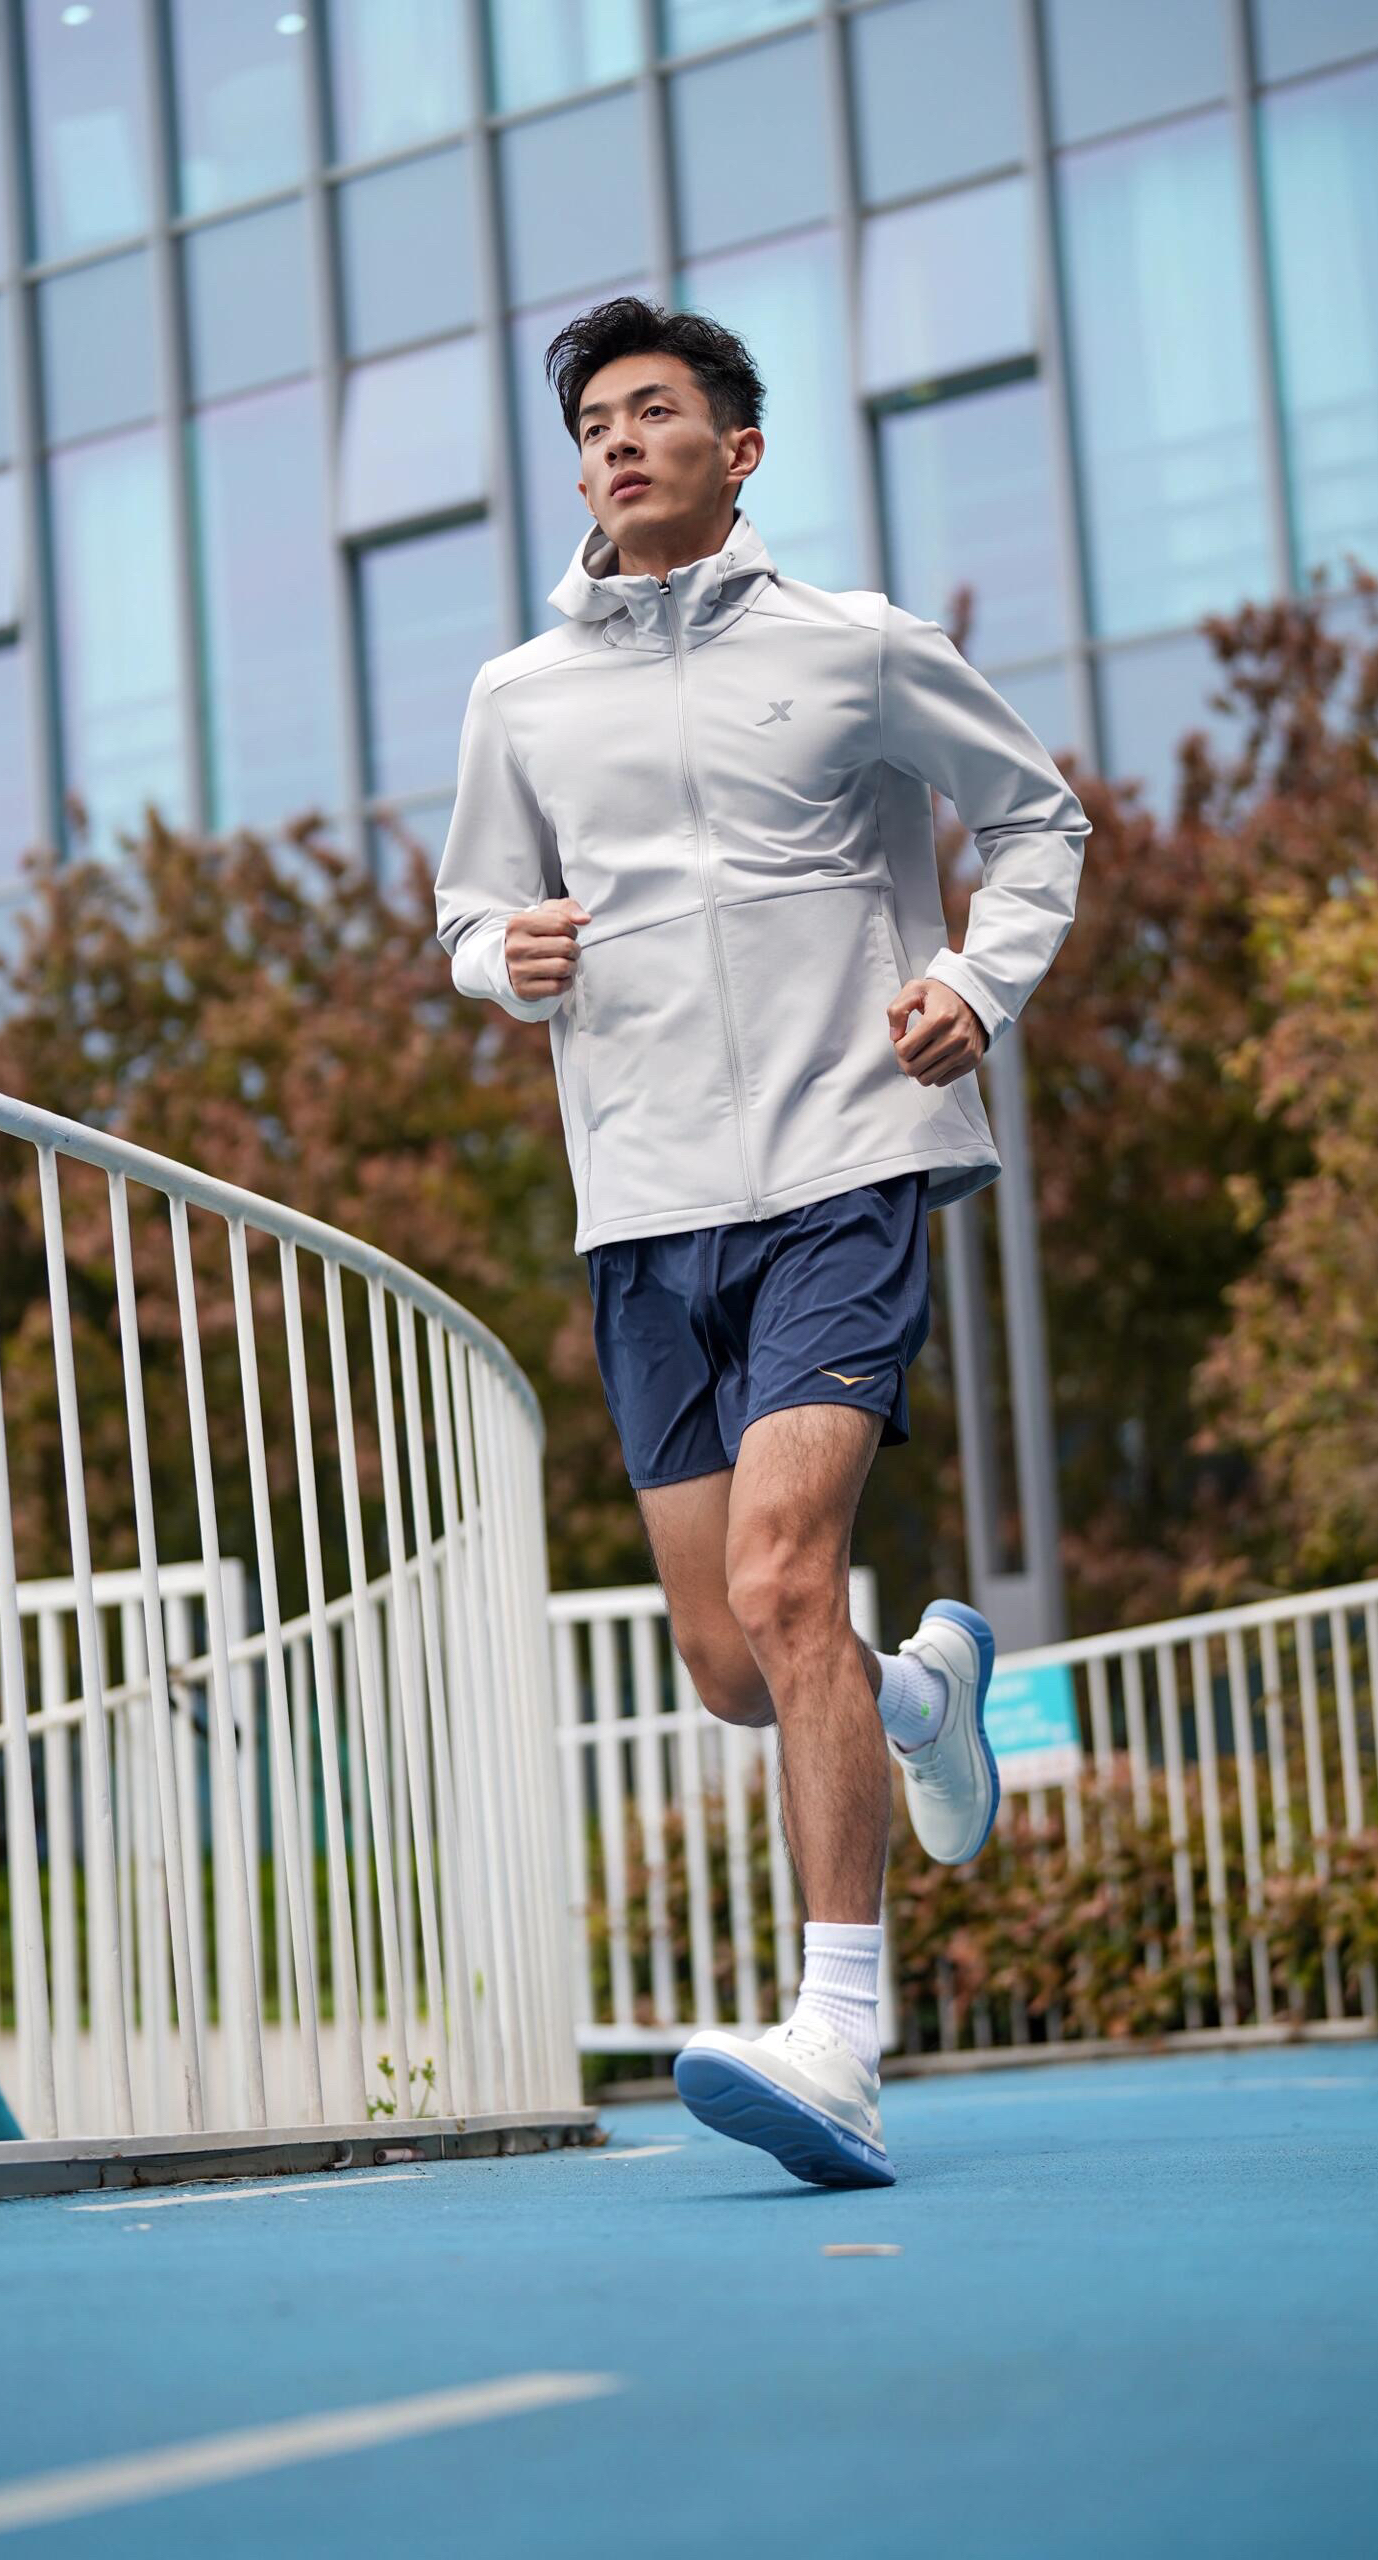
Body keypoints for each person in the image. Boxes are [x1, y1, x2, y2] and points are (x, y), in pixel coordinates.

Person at [434, 296, 1090, 2189]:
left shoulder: (856, 645)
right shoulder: (517, 696)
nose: (615, 444)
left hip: (844, 1161)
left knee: (792, 1579)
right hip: (643, 1203)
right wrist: (498, 957)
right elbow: (470, 909)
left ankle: (838, 2042)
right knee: (733, 1660)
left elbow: (1037, 820)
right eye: (592, 425)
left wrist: (976, 980)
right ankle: (922, 1700)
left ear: (736, 450)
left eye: (652, 412)